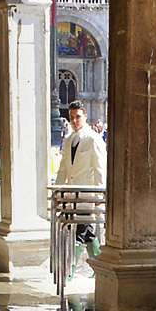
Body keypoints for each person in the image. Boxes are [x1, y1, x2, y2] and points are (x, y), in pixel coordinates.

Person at [55, 99, 106, 267]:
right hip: (71, 195)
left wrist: (100, 194)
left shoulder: (93, 139)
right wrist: (58, 191)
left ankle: (68, 272)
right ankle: (98, 268)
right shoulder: (68, 140)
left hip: (87, 196)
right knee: (88, 233)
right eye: (71, 117)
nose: (74, 120)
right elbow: (63, 168)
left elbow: (99, 167)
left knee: (79, 233)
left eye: (77, 116)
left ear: (85, 116)